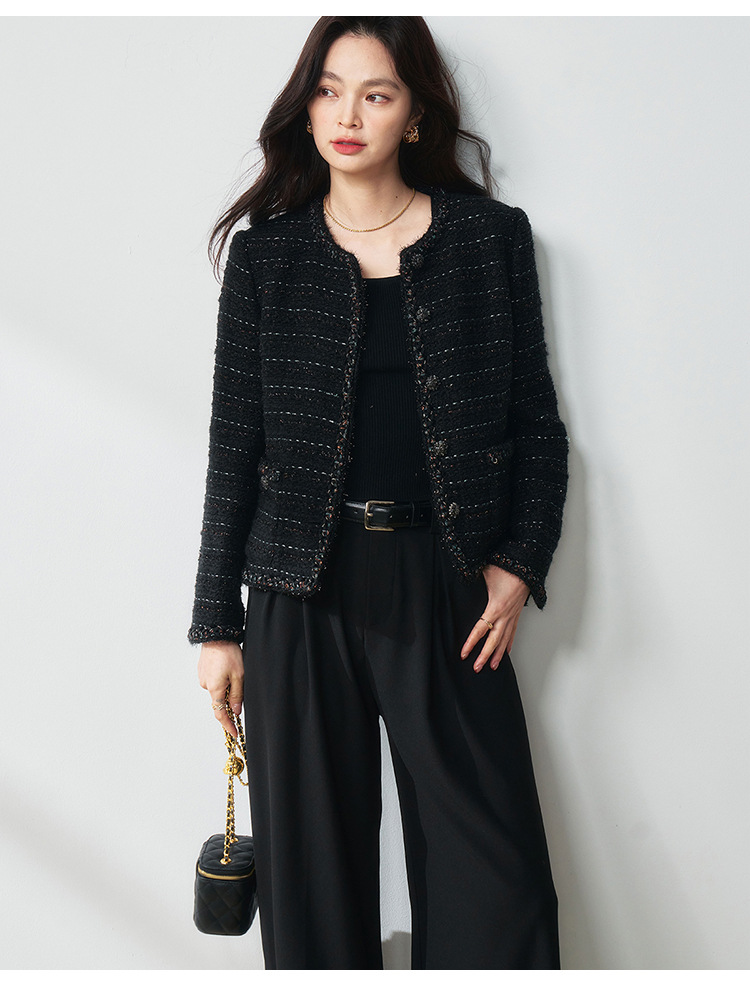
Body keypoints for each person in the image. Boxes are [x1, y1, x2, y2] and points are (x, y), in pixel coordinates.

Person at [189, 16, 569, 971]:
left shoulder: (488, 239)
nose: (347, 116)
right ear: (306, 107)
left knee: (499, 880)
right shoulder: (268, 257)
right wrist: (217, 626)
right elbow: (233, 449)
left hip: (447, 587)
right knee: (311, 881)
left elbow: (537, 424)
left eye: (376, 93)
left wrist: (517, 564)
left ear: (416, 114)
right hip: (297, 592)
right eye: (328, 91)